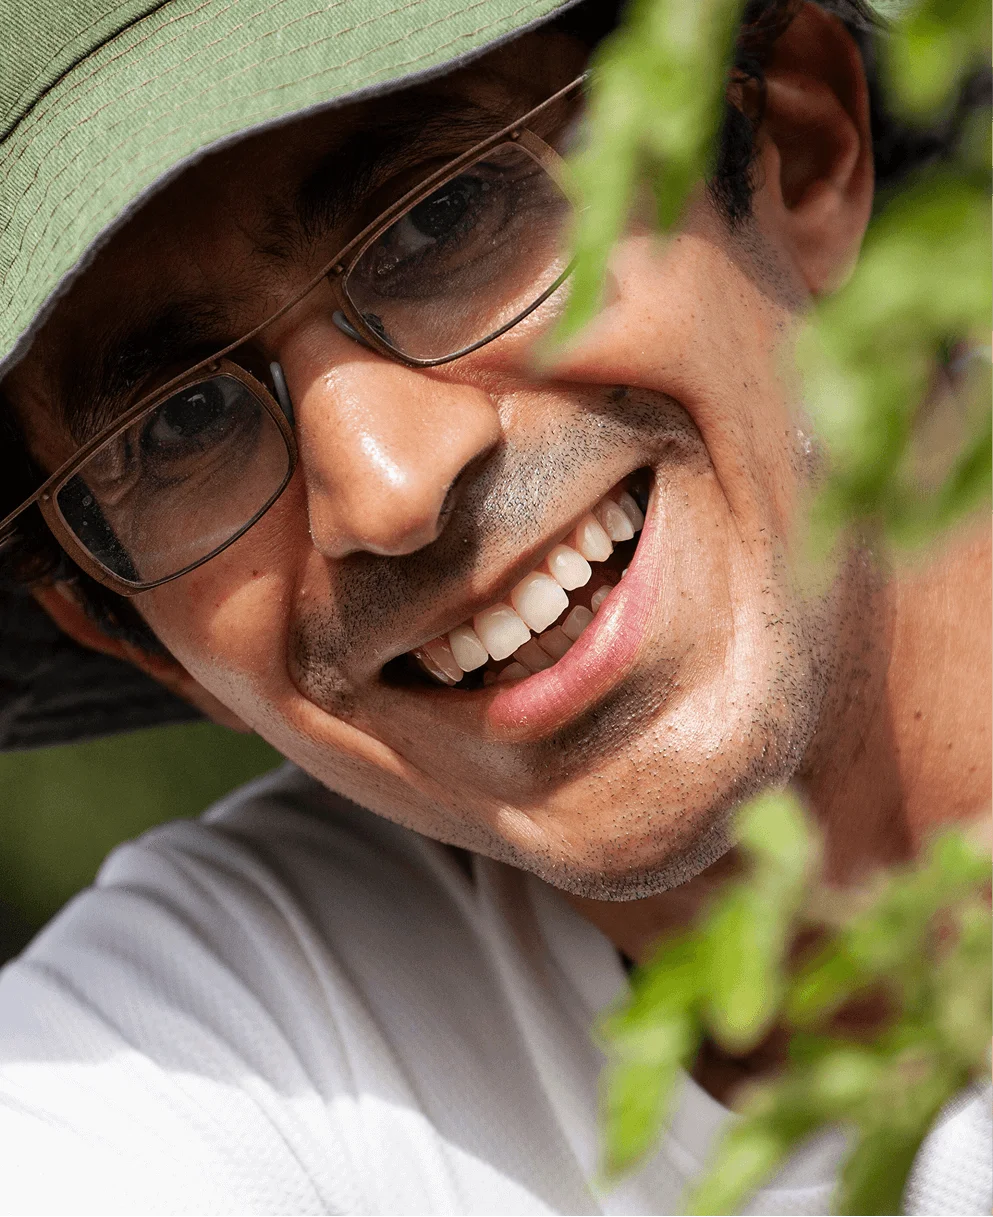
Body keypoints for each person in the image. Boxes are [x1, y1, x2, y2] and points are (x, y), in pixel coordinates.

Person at [0, 0, 988, 1212]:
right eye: (176, 427)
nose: (387, 485)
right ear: (130, 633)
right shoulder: (199, 1044)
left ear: (793, 148)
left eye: (441, 214)